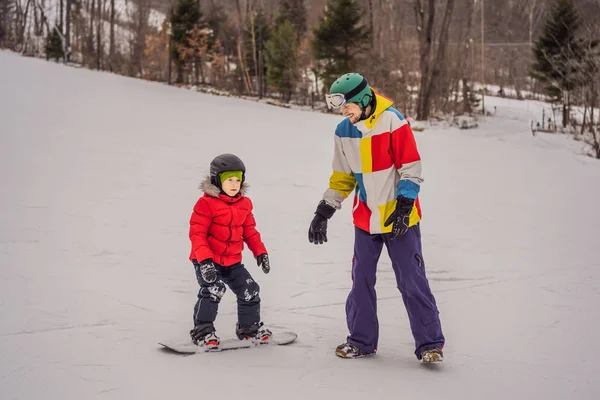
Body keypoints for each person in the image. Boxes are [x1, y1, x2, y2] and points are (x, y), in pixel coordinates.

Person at [308, 73, 445, 363]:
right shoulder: (344, 131)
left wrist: (405, 205)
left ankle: (430, 344)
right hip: (365, 220)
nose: (341, 110)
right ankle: (361, 341)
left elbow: (411, 167)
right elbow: (342, 177)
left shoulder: (393, 121)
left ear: (361, 99)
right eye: (336, 104)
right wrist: (324, 210)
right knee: (361, 281)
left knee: (411, 280)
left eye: (344, 104)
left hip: (399, 219)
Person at [188, 153, 271, 350]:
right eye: (229, 180)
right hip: (207, 260)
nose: (234, 184)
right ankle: (203, 331)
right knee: (213, 289)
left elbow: (250, 231)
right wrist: (205, 261)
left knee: (250, 290)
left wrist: (261, 252)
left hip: (232, 261)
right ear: (217, 180)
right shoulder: (206, 204)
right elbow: (197, 234)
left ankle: (248, 329)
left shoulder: (244, 204)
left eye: (238, 179)